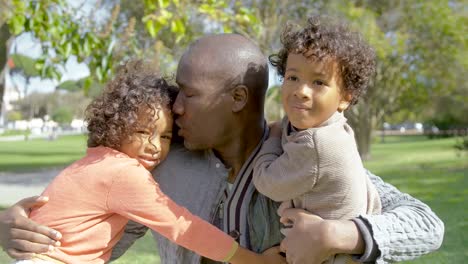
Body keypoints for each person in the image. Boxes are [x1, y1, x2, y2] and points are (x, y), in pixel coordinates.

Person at [0, 34, 444, 264]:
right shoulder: (161, 169)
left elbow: (426, 225)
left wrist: (339, 235)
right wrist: (20, 232)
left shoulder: (306, 155)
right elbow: (99, 242)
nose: (174, 107)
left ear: (237, 99)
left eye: (188, 94)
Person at [7, 60, 284, 264]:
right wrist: (254, 261)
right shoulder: (123, 173)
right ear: (116, 126)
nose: (154, 145)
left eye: (165, 136)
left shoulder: (97, 163)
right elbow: (182, 226)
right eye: (142, 132)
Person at [253, 16, 381, 264]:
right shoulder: (337, 131)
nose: (301, 90)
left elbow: (266, 181)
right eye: (292, 78)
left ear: (345, 98)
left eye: (319, 82)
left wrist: (272, 137)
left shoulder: (317, 145)